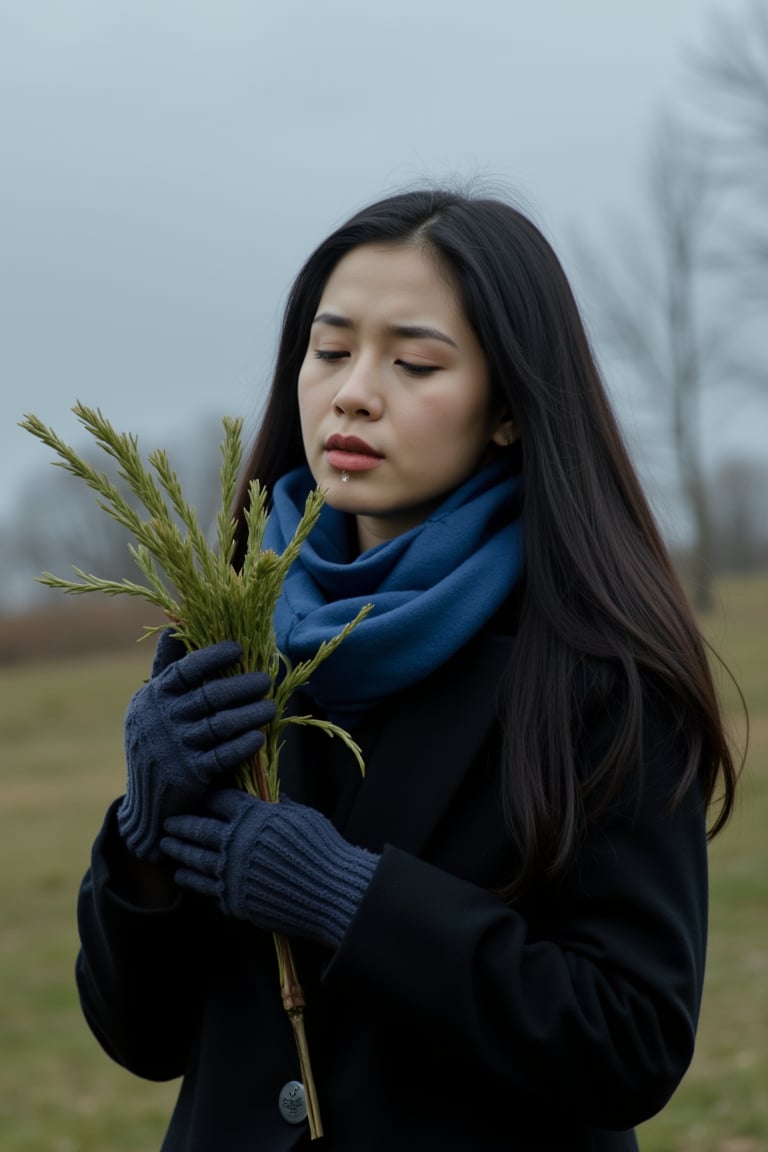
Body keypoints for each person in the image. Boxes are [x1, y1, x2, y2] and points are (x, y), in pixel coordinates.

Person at [75, 188, 740, 1151]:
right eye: (331, 350)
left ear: (508, 406)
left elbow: (630, 1040)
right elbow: (141, 1037)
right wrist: (141, 830)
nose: (353, 391)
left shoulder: (599, 670)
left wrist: (348, 896)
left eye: (414, 361)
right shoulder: (222, 636)